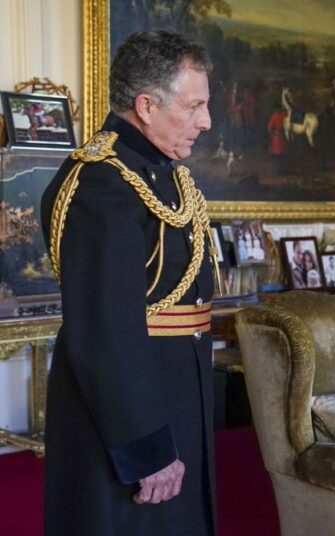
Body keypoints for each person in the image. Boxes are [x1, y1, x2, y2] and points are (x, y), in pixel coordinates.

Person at [40, 30, 219, 536]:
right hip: (127, 421)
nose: (206, 122)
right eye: (195, 106)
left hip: (174, 398)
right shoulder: (101, 183)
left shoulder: (163, 174)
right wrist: (147, 447)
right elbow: (104, 331)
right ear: (145, 105)